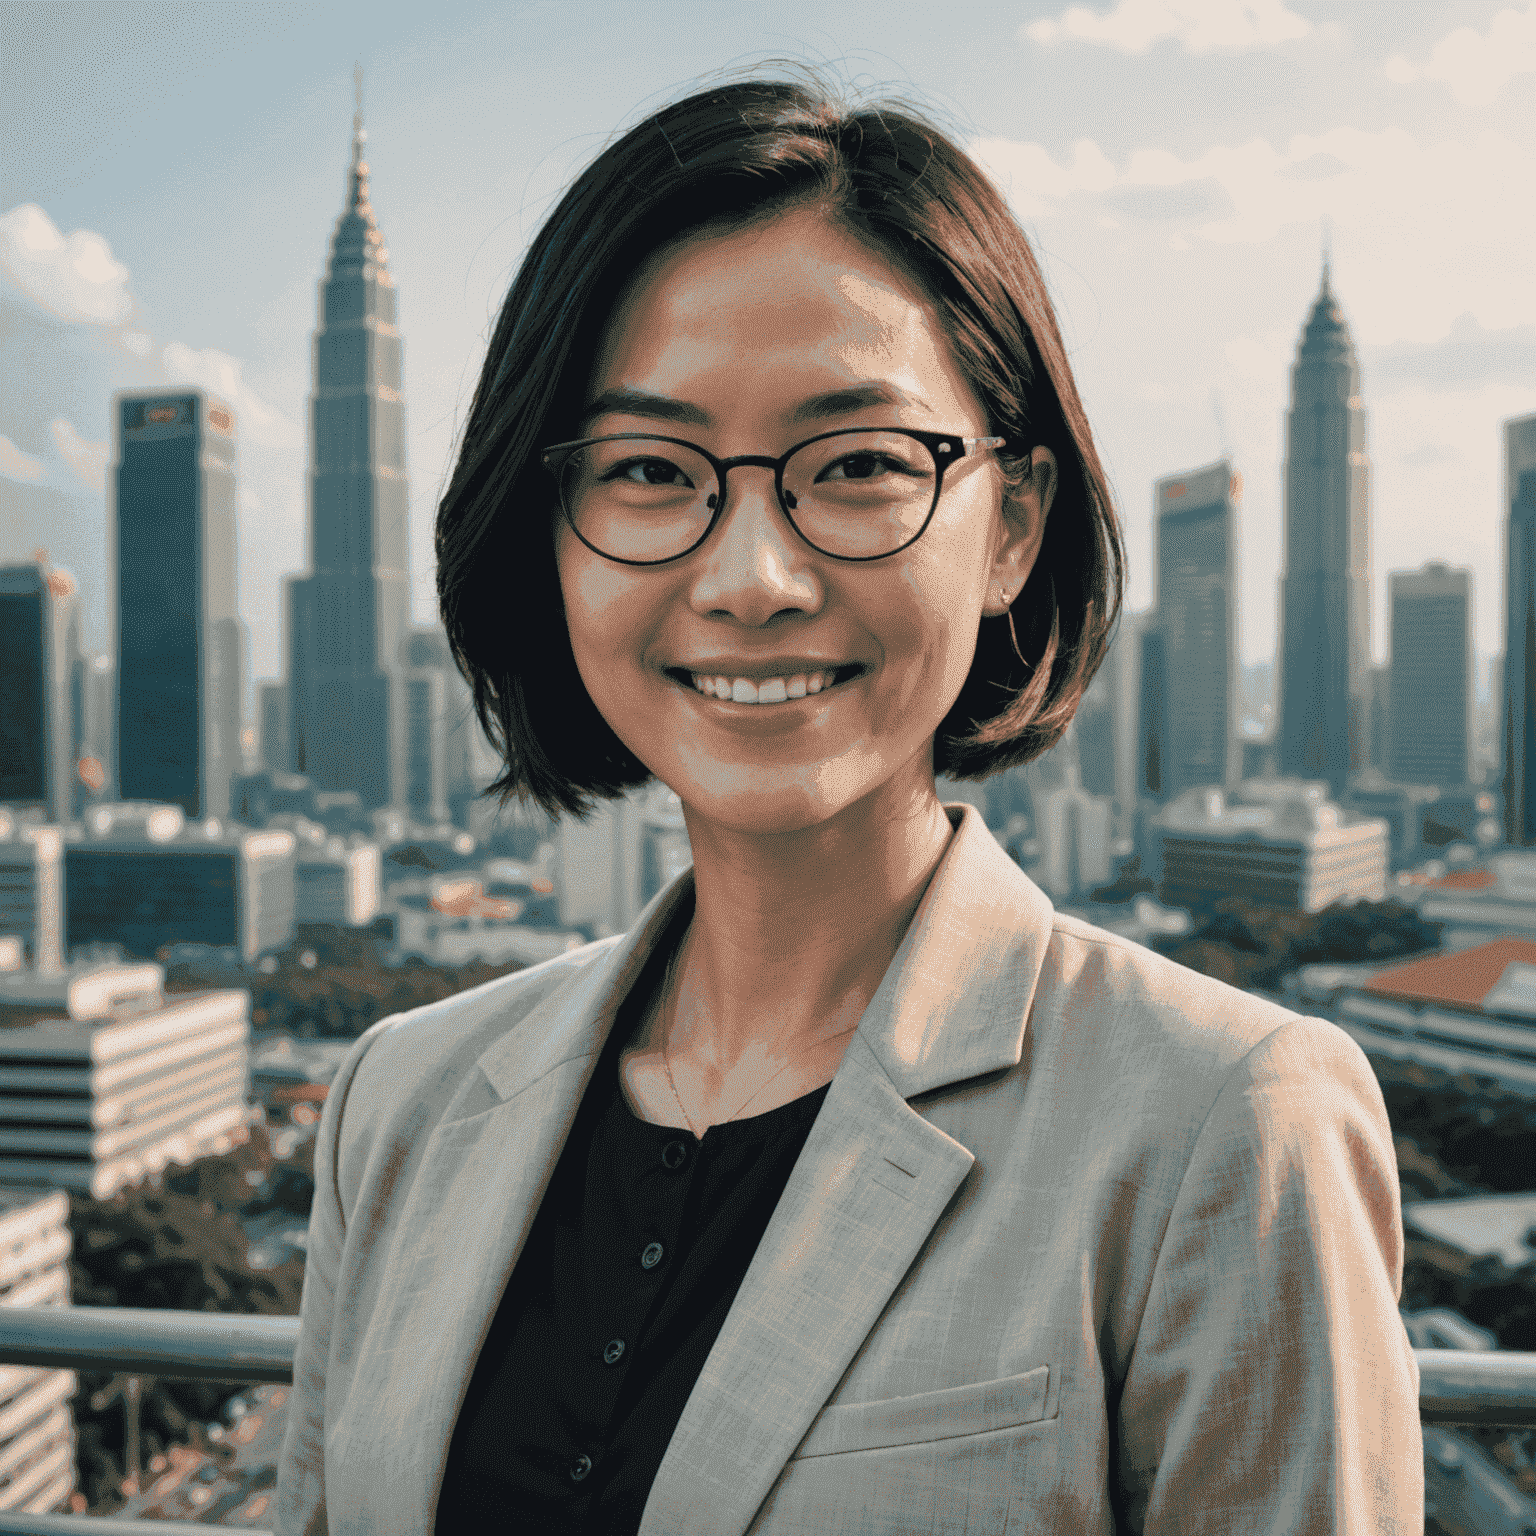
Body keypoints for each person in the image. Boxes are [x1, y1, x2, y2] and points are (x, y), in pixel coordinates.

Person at [274, 76, 1422, 1535]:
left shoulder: (1223, 1126)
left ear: (1011, 521)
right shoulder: (402, 1099)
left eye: (863, 465)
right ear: (549, 533)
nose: (753, 577)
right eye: (645, 469)